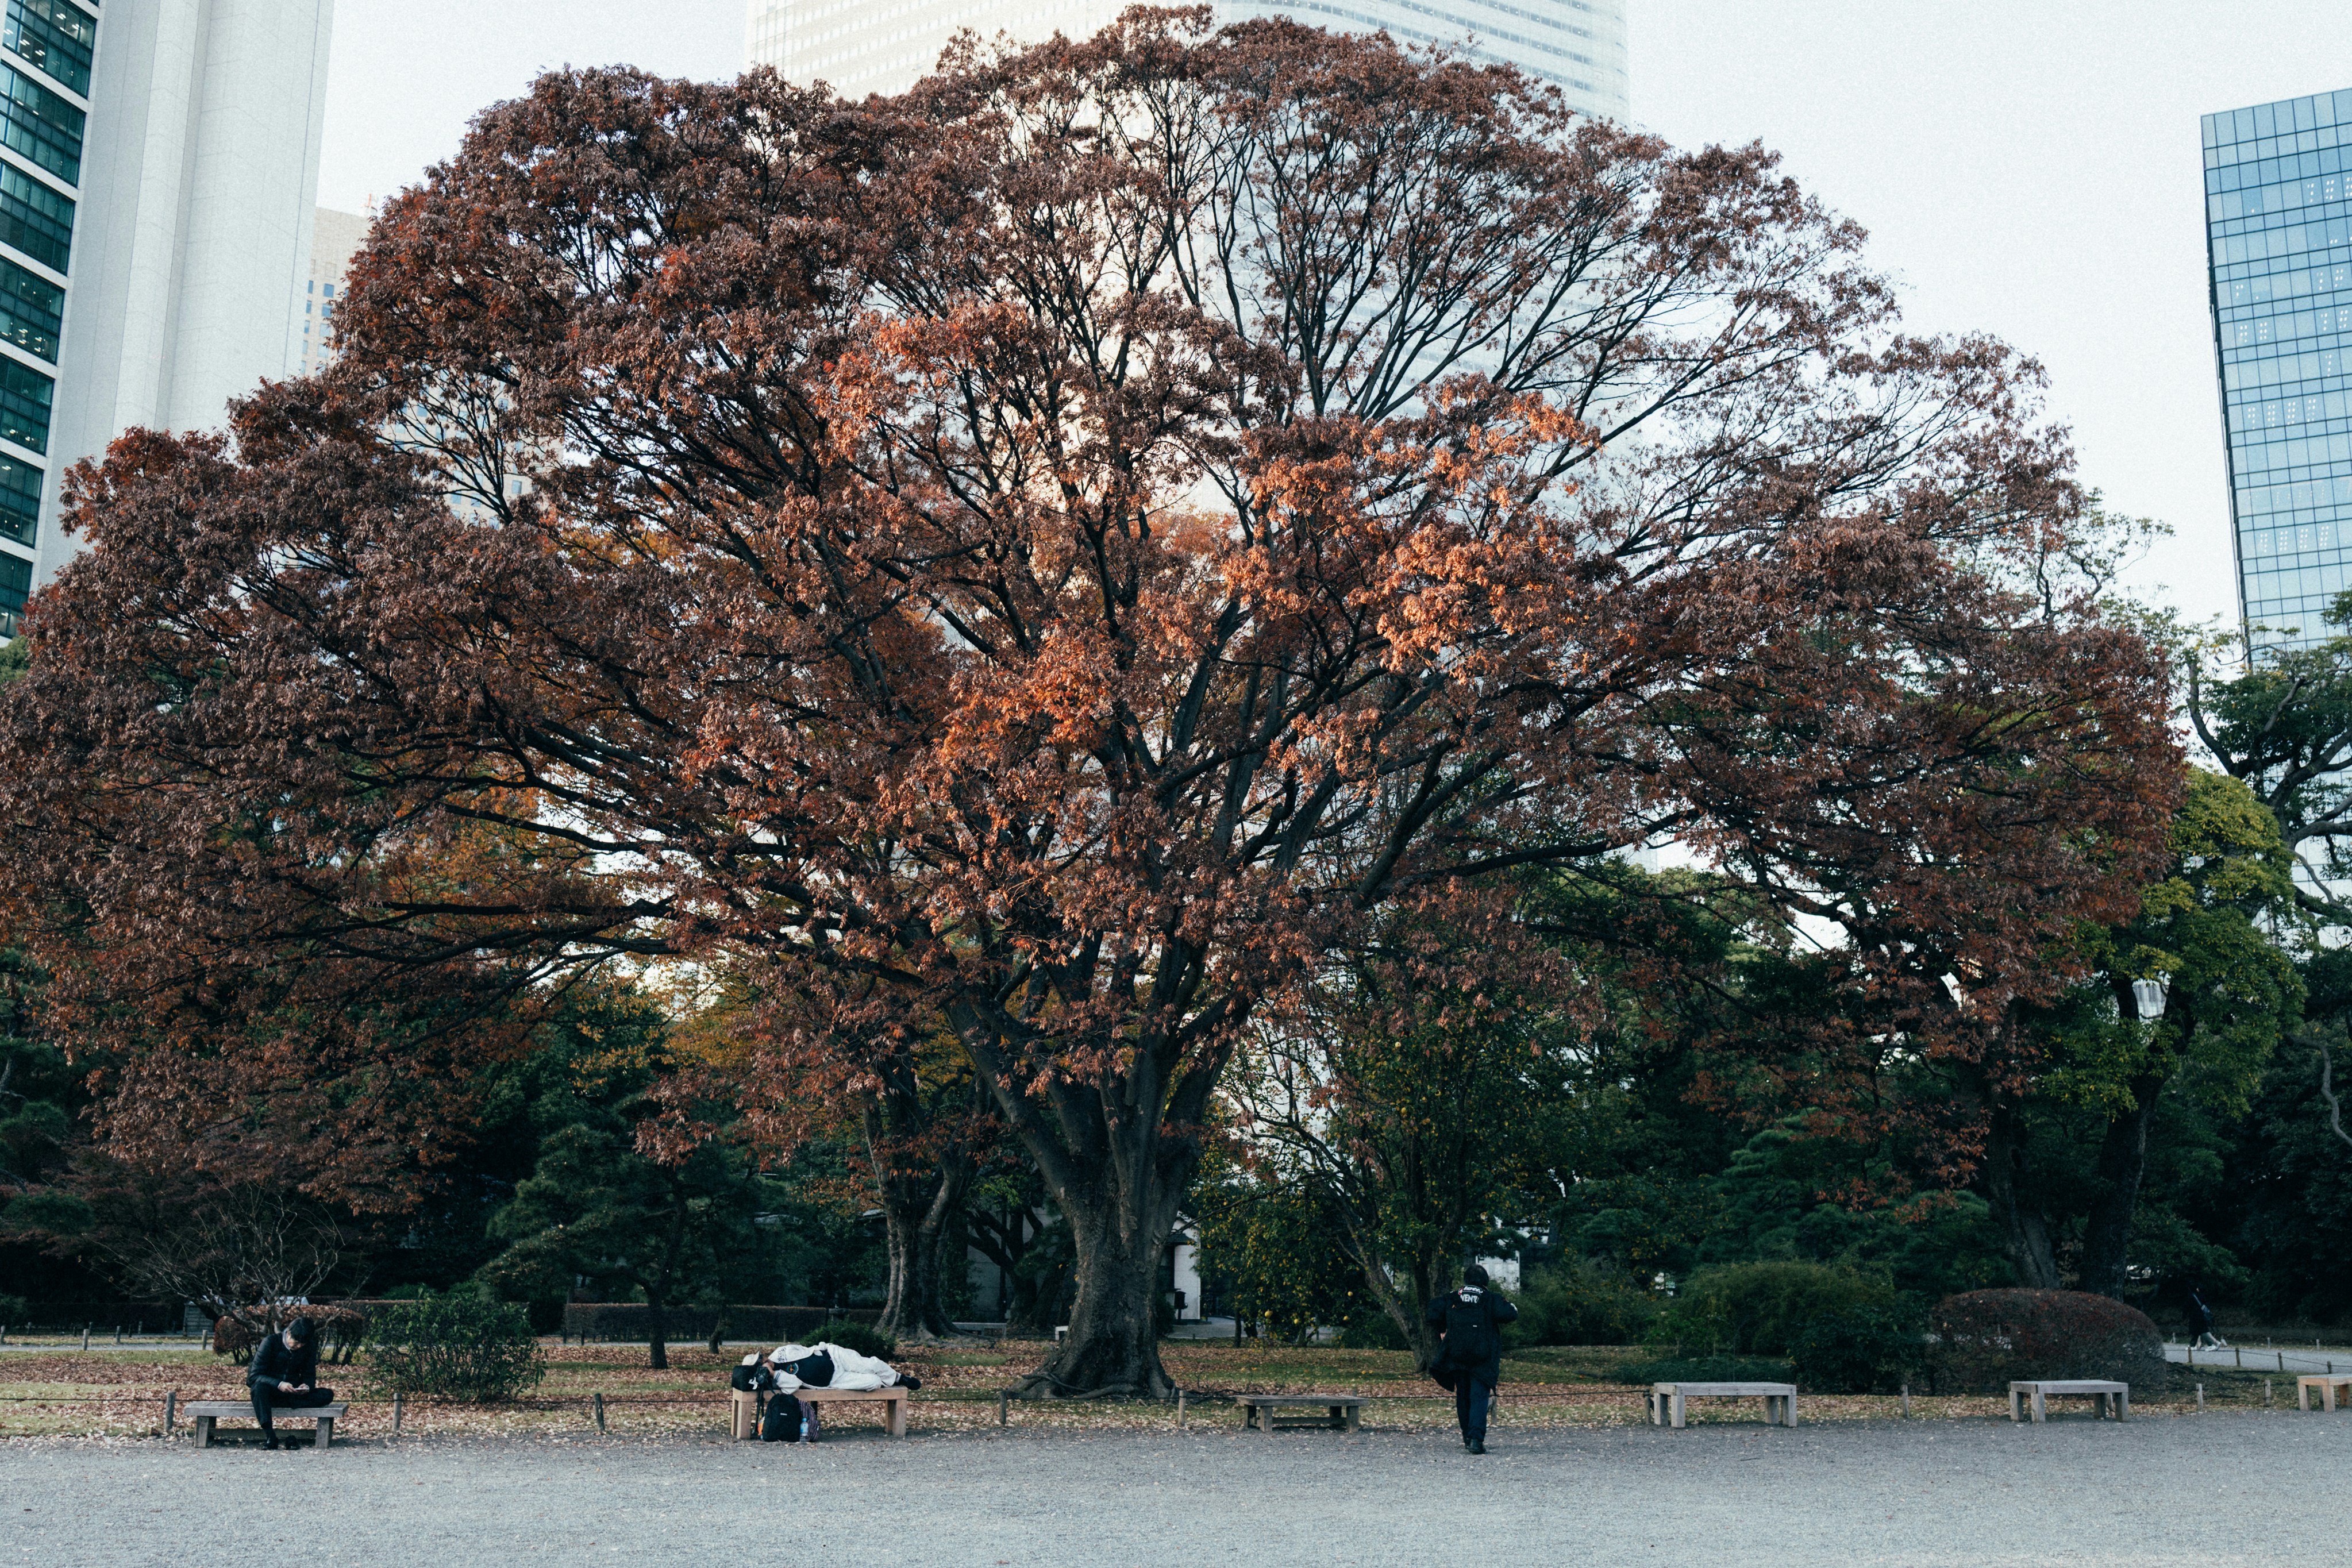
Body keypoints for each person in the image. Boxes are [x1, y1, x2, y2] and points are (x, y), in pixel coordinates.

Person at [1425, 1265, 1515, 1455]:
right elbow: (1510, 1313)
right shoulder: (1490, 1298)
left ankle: (1467, 1436)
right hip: (1483, 1355)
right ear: (1486, 1281)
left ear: (1466, 1279)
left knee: (1463, 1396)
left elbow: (1432, 1312)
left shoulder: (1453, 1297)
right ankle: (1476, 1439)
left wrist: (1443, 1329)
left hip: (1457, 1353)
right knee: (1479, 1396)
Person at [764, 1339, 922, 1444]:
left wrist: (823, 1348)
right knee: (873, 1382)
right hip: (835, 1380)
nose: (765, 1361)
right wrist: (772, 1373)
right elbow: (793, 1386)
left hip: (834, 1356)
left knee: (870, 1365)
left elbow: (805, 1350)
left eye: (762, 1358)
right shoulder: (777, 1379)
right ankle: (888, 1378)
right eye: (761, 1362)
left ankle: (899, 1378)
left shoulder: (780, 1352)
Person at [246, 1315, 334, 1450]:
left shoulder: (309, 1347)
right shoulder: (270, 1342)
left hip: (293, 1393)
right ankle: (270, 1436)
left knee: (327, 1394)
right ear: (288, 1334)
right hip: (270, 1393)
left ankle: (292, 1404)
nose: (298, 1346)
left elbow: (309, 1375)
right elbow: (253, 1377)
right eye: (296, 1342)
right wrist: (279, 1384)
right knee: (258, 1388)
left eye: (302, 1344)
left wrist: (306, 1386)